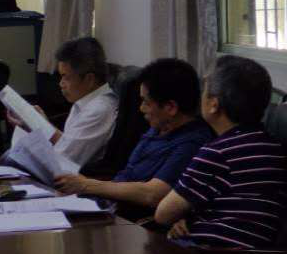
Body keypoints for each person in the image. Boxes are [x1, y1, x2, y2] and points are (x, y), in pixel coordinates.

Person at [155, 56, 287, 249]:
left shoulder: (218, 152)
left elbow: (164, 214)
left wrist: (183, 217)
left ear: (213, 105)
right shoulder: (272, 146)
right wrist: (188, 217)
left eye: (204, 89)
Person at [54, 58, 214, 208]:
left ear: (170, 107)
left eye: (146, 102)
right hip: (110, 205)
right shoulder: (157, 128)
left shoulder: (192, 143)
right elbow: (127, 175)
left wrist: (86, 185)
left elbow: (153, 194)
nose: (141, 108)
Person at [7, 37, 117, 167]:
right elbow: (68, 144)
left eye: (66, 77)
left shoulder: (98, 111)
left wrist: (33, 137)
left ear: (89, 79)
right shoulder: (86, 102)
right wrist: (38, 124)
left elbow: (60, 162)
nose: (61, 84)